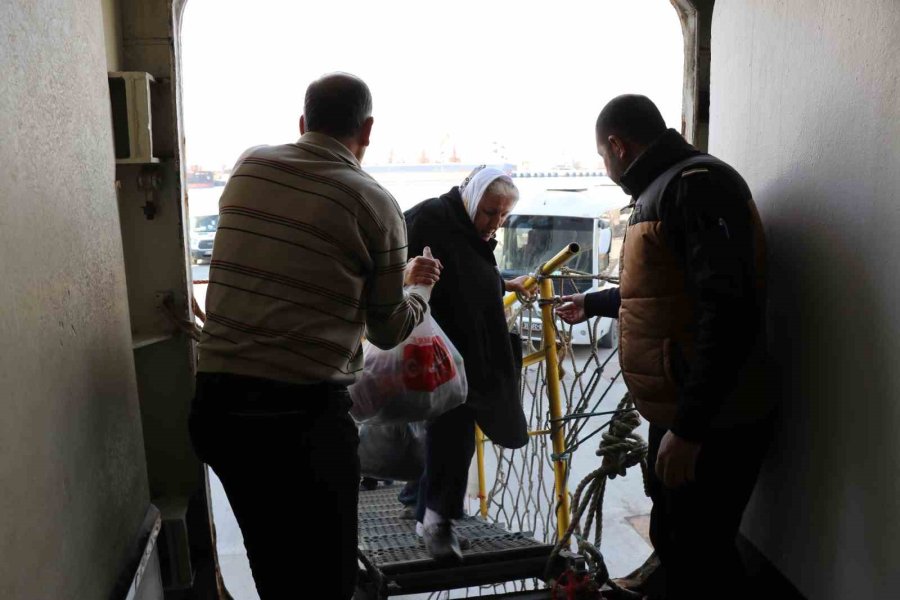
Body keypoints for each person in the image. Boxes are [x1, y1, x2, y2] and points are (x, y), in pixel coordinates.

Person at [188, 73, 442, 600]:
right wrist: (419, 289)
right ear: (367, 130)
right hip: (300, 421)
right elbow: (387, 329)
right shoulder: (374, 203)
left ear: (302, 123)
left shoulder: (249, 165)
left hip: (220, 411)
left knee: (273, 564)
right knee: (326, 580)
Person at [557, 95, 773, 599]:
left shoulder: (696, 188)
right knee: (678, 542)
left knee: (700, 553)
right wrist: (594, 304)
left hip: (711, 418)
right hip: (686, 409)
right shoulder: (669, 189)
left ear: (618, 145)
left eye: (602, 156)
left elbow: (727, 308)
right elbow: (664, 293)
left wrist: (691, 429)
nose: (605, 167)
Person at [404, 165, 533, 560]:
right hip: (437, 353)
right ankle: (436, 522)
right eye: (490, 212)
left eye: (503, 216)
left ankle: (423, 503)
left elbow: (470, 272)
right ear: (471, 199)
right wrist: (405, 275)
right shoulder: (429, 218)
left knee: (448, 434)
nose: (495, 223)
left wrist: (504, 283)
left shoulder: (467, 231)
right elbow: (387, 263)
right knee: (453, 434)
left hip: (464, 354)